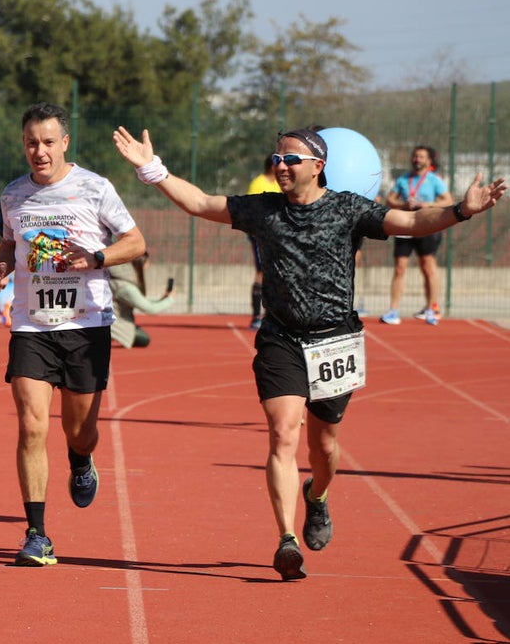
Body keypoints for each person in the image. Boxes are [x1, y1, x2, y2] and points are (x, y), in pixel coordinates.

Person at [112, 124, 505, 581]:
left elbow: (412, 223)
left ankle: (317, 495)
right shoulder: (263, 209)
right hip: (281, 339)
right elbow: (200, 203)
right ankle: (286, 540)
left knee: (325, 445)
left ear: (318, 166)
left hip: (335, 340)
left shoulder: (348, 209)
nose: (280, 165)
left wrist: (462, 210)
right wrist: (152, 170)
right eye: (277, 158)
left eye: (291, 159)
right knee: (283, 433)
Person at [0, 103, 145, 567]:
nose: (40, 151)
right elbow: (10, 245)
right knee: (32, 425)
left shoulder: (95, 187)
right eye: (31, 143)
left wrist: (96, 258)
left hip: (86, 326)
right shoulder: (13, 195)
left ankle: (80, 458)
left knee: (80, 431)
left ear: (64, 143)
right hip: (31, 326)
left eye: (48, 142)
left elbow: (136, 243)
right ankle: (37, 534)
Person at [380, 145, 452, 326]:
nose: (417, 159)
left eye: (421, 156)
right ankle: (393, 310)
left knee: (428, 266)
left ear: (429, 160)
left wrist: (427, 205)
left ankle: (432, 308)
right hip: (405, 226)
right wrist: (403, 205)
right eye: (415, 156)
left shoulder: (434, 180)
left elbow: (448, 201)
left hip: (427, 226)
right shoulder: (403, 179)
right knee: (400, 267)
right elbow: (390, 199)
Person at [107, 251, 175, 349]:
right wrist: (170, 299)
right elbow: (151, 309)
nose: (148, 265)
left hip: (111, 321)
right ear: (140, 264)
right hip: (116, 324)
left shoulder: (119, 280)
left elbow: (141, 299)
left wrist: (162, 298)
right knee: (144, 339)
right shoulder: (125, 287)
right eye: (147, 262)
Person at [245, 155, 280, 330]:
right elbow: (251, 209)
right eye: (279, 163)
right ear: (272, 166)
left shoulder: (279, 184)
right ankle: (256, 317)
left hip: (277, 235)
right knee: (261, 272)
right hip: (259, 234)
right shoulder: (258, 183)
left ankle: (270, 316)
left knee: (275, 274)